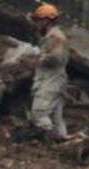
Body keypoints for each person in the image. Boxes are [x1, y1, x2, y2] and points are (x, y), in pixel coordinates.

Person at [29, 3, 69, 140]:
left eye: (38, 20)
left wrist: (36, 60)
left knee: (39, 113)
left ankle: (51, 142)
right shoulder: (49, 37)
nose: (37, 24)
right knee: (55, 117)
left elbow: (55, 58)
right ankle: (63, 142)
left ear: (47, 20)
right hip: (53, 80)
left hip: (51, 81)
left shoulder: (55, 37)